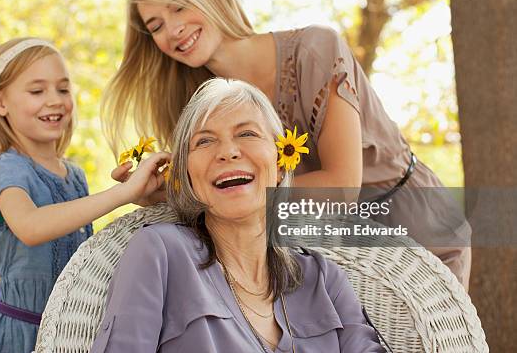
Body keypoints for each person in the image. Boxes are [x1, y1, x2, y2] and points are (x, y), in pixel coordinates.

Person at [102, 0, 471, 288]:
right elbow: (222, 209)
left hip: (414, 231)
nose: (173, 29)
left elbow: (341, 188)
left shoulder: (315, 50)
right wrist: (164, 194)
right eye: (156, 25)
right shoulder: (204, 106)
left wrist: (228, 192)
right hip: (326, 254)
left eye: (179, 7)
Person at [92, 78, 386, 352]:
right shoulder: (160, 252)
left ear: (281, 161)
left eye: (247, 133)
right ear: (186, 173)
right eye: (205, 141)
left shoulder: (323, 278)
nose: (228, 152)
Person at [0, 37, 169, 352]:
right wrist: (120, 193)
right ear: (0, 103)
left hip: (73, 331)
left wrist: (144, 195)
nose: (55, 100)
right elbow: (31, 226)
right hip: (21, 335)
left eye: (63, 89)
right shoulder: (5, 169)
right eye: (37, 91)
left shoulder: (74, 175)